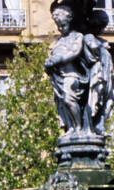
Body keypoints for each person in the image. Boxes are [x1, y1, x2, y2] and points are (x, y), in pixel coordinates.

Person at [43, 0, 93, 137]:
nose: (59, 26)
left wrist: (57, 60)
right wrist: (48, 64)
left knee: (68, 98)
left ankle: (78, 127)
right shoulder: (58, 42)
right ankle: (71, 127)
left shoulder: (77, 36)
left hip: (73, 75)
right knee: (63, 104)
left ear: (70, 18)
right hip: (58, 78)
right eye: (58, 24)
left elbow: (75, 52)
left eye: (62, 23)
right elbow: (51, 58)